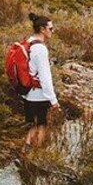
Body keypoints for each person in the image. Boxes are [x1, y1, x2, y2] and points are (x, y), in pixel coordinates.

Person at [22, 12, 59, 154]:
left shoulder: (29, 42)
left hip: (27, 93)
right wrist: (53, 100)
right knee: (42, 125)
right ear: (42, 29)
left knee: (32, 125)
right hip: (39, 95)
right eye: (51, 28)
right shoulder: (40, 49)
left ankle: (25, 153)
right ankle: (38, 155)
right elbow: (45, 77)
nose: (52, 31)